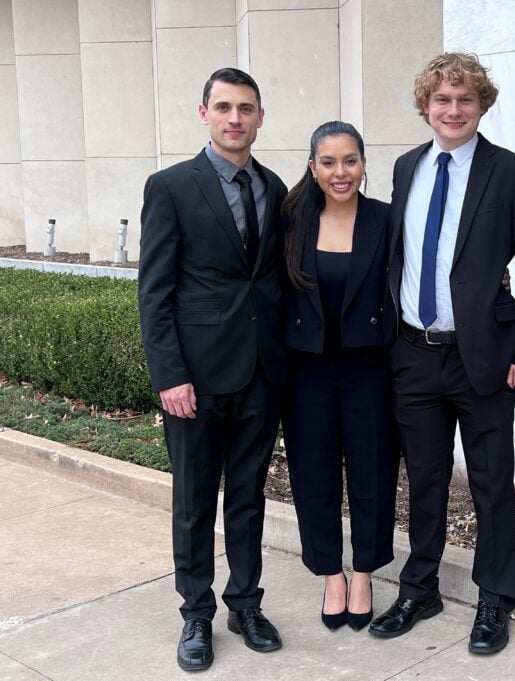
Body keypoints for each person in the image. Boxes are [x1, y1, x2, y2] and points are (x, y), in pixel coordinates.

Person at [368, 53, 515, 654]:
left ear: (482, 105)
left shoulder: (513, 173)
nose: (453, 110)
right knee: (423, 481)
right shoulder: (406, 168)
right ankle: (420, 586)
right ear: (426, 105)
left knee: (491, 484)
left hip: (484, 358)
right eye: (443, 100)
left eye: (466, 100)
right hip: (413, 354)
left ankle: (495, 599)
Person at [138, 67, 288, 672]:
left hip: (260, 374)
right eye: (223, 107)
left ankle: (244, 603)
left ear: (258, 116)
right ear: (204, 113)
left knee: (249, 497)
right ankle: (195, 612)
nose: (235, 118)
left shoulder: (275, 187)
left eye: (245, 108)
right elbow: (155, 291)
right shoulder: (171, 186)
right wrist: (170, 375)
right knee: (196, 501)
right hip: (194, 380)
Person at [279, 121, 397, 632]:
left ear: (364, 164)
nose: (340, 172)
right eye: (328, 162)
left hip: (370, 369)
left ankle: (365, 572)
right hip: (307, 371)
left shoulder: (387, 221)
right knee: (314, 476)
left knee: (373, 475)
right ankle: (330, 572)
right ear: (313, 167)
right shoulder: (292, 222)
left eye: (350, 160)